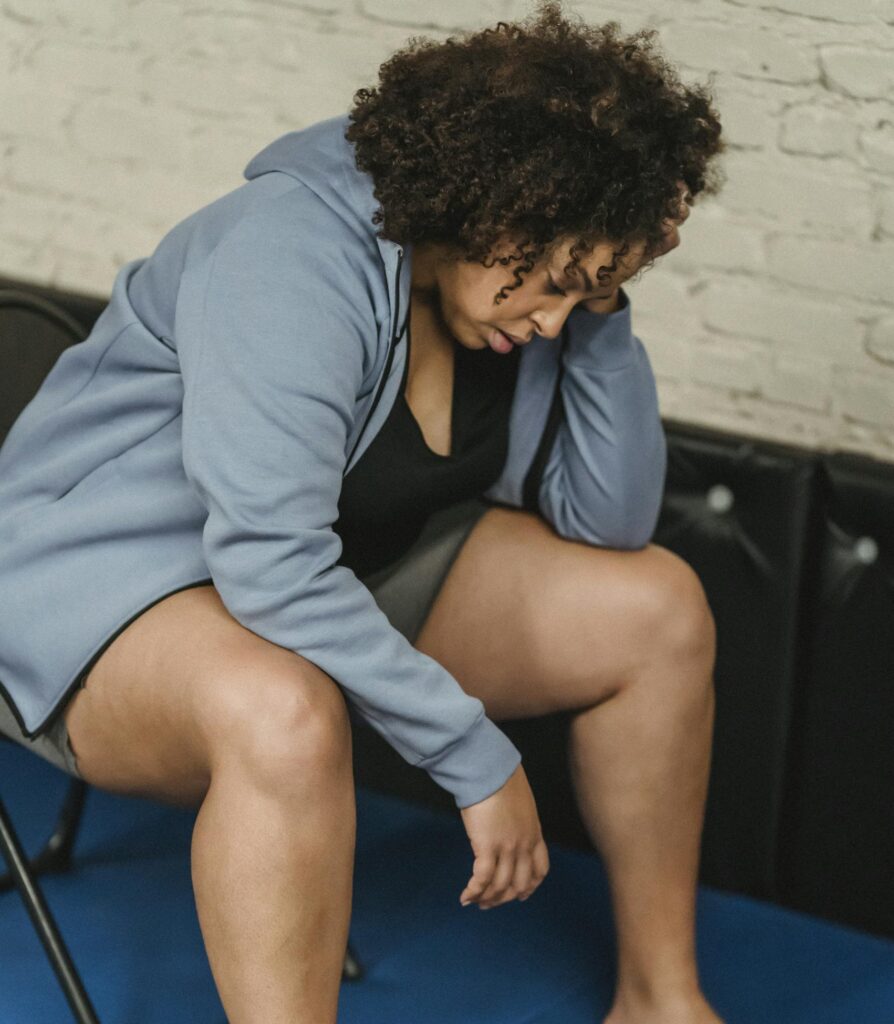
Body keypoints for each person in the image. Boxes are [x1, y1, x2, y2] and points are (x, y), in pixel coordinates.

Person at [0, 2, 726, 1021]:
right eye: (558, 281)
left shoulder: (516, 304)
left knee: (658, 605)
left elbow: (610, 520)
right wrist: (472, 753)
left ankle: (662, 1000)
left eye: (587, 290)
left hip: (325, 584)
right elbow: (267, 563)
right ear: (494, 203)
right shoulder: (291, 251)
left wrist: (605, 311)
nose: (554, 317)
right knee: (282, 707)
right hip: (98, 598)